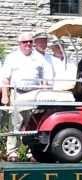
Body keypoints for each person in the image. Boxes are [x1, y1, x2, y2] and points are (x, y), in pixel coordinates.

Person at [1, 32, 45, 162]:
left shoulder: (39, 58)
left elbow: (44, 79)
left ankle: (31, 152)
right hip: (17, 93)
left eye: (30, 42)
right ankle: (12, 152)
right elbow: (5, 78)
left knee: (33, 124)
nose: (28, 44)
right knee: (15, 123)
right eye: (25, 42)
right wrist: (5, 96)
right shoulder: (12, 57)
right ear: (19, 44)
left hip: (34, 94)